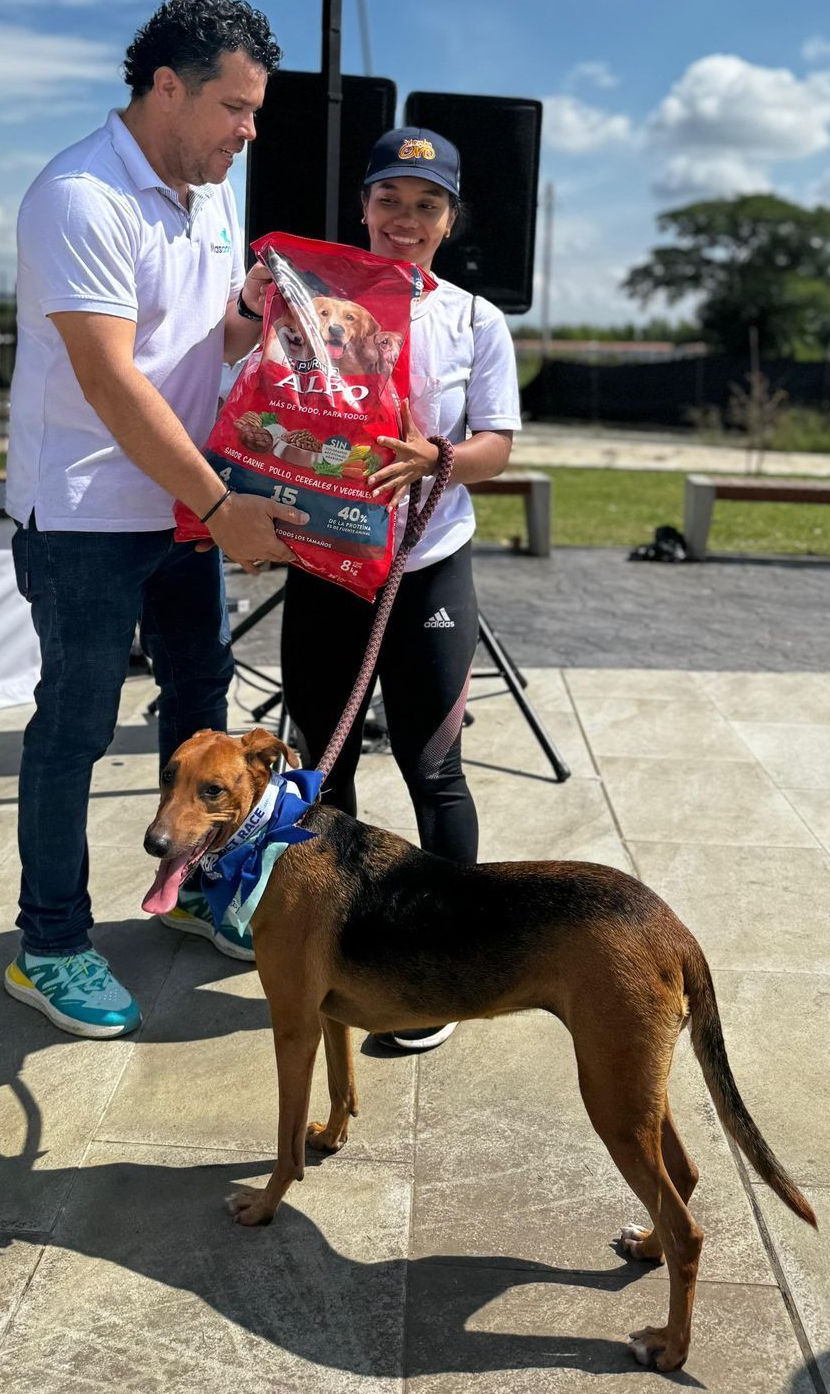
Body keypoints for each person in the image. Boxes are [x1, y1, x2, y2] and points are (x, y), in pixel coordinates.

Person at [3, 0, 305, 1040]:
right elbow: (110, 381)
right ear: (164, 90)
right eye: (234, 107)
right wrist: (223, 505)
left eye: (255, 111)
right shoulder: (80, 197)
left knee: (200, 709)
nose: (248, 130)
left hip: (181, 499)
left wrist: (253, 321)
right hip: (88, 509)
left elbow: (196, 345)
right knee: (75, 729)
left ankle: (196, 892)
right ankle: (49, 944)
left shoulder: (210, 197)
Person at [278, 126, 522, 1051]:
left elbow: (497, 445)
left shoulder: (474, 319)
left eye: (426, 205)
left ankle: (446, 975)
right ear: (364, 208)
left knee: (434, 768)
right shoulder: (315, 304)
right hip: (329, 562)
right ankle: (325, 944)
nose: (405, 219)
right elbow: (270, 405)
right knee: (324, 767)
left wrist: (439, 459)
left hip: (427, 567)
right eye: (390, 200)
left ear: (449, 219)